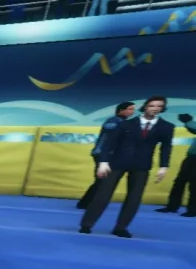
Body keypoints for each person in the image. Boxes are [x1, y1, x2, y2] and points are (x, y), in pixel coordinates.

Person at [80, 95, 173, 237]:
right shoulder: (126, 124)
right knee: (102, 194)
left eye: (159, 106)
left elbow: (166, 147)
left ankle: (121, 227)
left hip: (142, 165)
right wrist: (103, 162)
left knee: (134, 198)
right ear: (145, 106)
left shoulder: (166, 127)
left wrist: (164, 166)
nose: (155, 108)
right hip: (117, 162)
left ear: (163, 108)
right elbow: (110, 143)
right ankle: (87, 224)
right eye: (152, 105)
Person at [77, 101, 133, 210]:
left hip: (110, 155)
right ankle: (86, 203)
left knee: (103, 180)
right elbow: (109, 127)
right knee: (102, 180)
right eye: (130, 109)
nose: (132, 112)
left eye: (133, 109)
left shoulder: (124, 122)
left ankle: (87, 202)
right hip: (102, 154)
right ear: (121, 110)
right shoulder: (114, 120)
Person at [156, 112, 196, 217]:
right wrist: (188, 122)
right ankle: (172, 206)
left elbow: (193, 127)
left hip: (193, 159)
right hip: (191, 158)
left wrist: (188, 121)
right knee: (179, 182)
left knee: (193, 185)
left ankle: (192, 210)